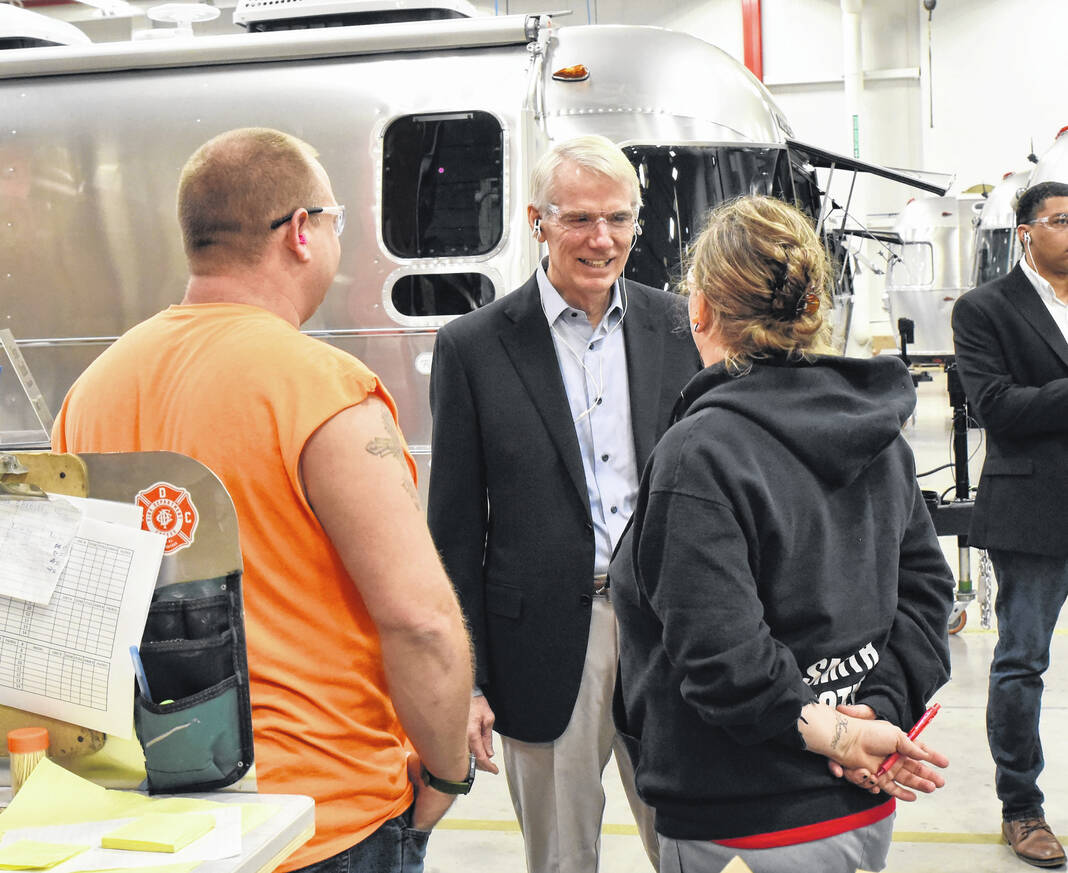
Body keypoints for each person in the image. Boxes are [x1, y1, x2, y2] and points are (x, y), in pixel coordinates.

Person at [52, 128, 474, 873]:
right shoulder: (323, 390)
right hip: (321, 818)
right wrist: (444, 771)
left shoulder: (90, 393)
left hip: (157, 822)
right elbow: (421, 620)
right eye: (335, 220)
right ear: (302, 232)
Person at [611, 195, 954, 873]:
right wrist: (871, 712)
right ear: (814, 305)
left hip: (743, 817)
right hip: (857, 807)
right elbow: (926, 594)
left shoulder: (699, 454)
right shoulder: (875, 431)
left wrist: (833, 734)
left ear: (699, 309)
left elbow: (722, 659)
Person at [426, 134, 700, 873]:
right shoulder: (474, 346)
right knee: (559, 857)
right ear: (537, 220)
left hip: (667, 633)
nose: (601, 239)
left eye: (618, 217)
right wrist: (468, 676)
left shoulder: (680, 328)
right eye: (579, 218)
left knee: (689, 845)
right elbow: (452, 528)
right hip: (542, 643)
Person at [952, 180, 1068, 869]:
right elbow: (994, 404)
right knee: (1022, 661)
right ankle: (1021, 805)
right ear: (1026, 231)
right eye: (1061, 220)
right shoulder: (985, 308)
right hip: (1033, 509)